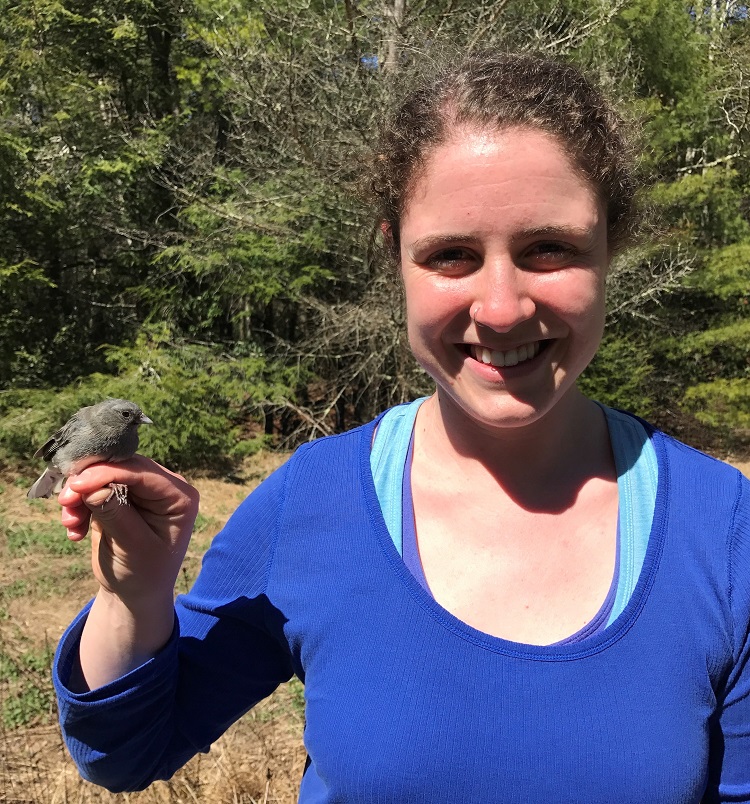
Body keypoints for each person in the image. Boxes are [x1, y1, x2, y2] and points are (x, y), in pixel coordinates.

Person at [53, 52, 750, 803]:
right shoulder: (311, 504)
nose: (503, 306)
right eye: (450, 255)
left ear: (612, 245)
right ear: (396, 260)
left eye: (550, 247)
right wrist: (134, 599)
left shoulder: (723, 530)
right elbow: (124, 756)